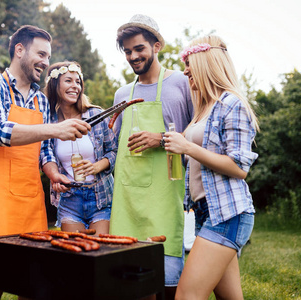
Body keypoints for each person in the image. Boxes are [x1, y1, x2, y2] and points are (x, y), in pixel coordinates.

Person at [0, 25, 90, 300]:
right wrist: (56, 129)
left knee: (34, 275)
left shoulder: (40, 100)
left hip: (29, 194)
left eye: (48, 56)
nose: (46, 62)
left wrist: (54, 173)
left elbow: (44, 150)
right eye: (41, 54)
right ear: (19, 50)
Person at [165, 35, 259, 300]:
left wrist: (188, 148)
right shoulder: (203, 109)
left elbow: (239, 168)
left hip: (227, 213)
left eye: (189, 64)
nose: (185, 71)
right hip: (206, 212)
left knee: (186, 295)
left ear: (206, 64)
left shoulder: (232, 104)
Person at [109, 14, 194, 299]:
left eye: (139, 49)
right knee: (130, 284)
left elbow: (196, 137)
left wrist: (159, 139)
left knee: (167, 282)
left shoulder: (181, 84)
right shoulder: (122, 94)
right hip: (127, 202)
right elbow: (113, 148)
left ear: (157, 46)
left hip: (165, 197)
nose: (133, 56)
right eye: (128, 51)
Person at [41, 61, 117, 234]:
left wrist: (96, 166)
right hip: (70, 200)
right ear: (55, 85)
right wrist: (56, 178)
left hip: (101, 197)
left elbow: (114, 150)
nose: (75, 86)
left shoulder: (95, 115)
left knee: (100, 252)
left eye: (78, 81)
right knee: (76, 257)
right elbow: (45, 154)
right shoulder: (49, 122)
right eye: (68, 81)